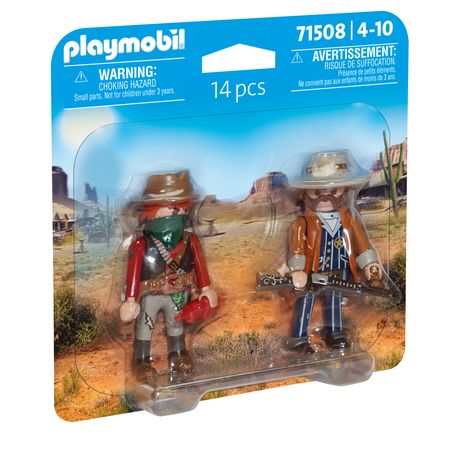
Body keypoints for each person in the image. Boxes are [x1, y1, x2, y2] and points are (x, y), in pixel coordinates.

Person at [119, 171, 217, 382]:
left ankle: (178, 355)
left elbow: (200, 266)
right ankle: (141, 361)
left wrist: (206, 289)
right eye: (174, 209)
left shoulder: (191, 240)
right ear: (152, 210)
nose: (179, 214)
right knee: (145, 327)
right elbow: (133, 272)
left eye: (183, 209)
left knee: (176, 325)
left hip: (179, 294)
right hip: (150, 295)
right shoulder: (141, 244)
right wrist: (130, 299)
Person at [287, 151, 383, 352]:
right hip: (312, 273)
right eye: (317, 191)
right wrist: (297, 270)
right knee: (306, 300)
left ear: (344, 191)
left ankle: (335, 332)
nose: (325, 195)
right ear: (305, 193)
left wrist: (369, 264)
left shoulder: (349, 221)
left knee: (334, 300)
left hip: (339, 271)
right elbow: (297, 248)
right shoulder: (302, 223)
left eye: (333, 190)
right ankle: (299, 337)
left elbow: (361, 244)